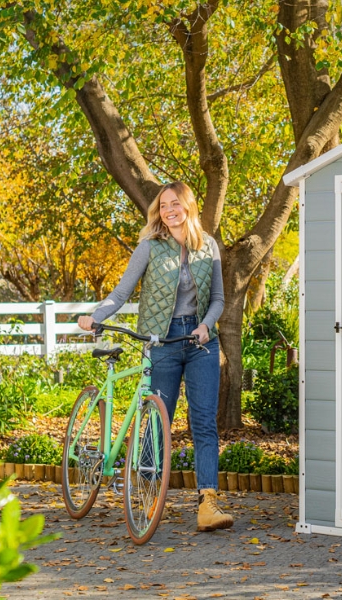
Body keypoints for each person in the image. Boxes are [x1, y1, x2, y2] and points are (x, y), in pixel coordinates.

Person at [78, 181, 233, 532]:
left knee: (204, 422)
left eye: (175, 203)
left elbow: (219, 299)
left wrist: (206, 326)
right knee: (157, 423)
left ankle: (208, 503)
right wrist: (96, 316)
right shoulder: (149, 246)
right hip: (160, 341)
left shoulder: (208, 246)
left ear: (189, 206)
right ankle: (147, 495)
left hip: (199, 342)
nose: (169, 210)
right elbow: (120, 292)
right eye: (163, 205)